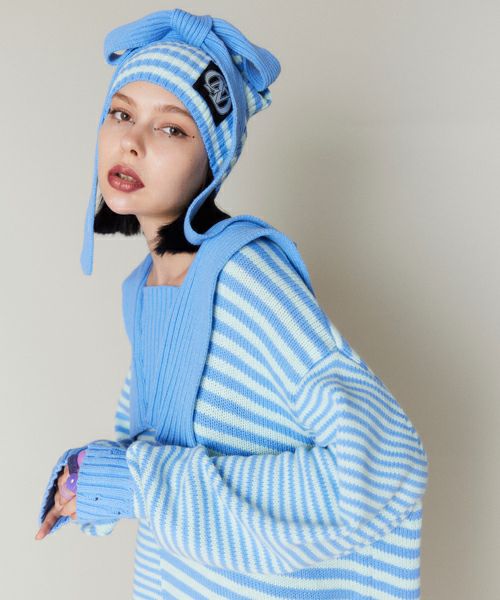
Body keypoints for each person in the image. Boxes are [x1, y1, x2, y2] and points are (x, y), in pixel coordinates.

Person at [35, 8, 429, 599]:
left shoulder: (247, 276)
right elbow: (154, 455)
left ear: (212, 159)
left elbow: (388, 460)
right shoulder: (143, 288)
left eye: (172, 129)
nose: (132, 142)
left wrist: (139, 482)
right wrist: (93, 476)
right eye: (121, 113)